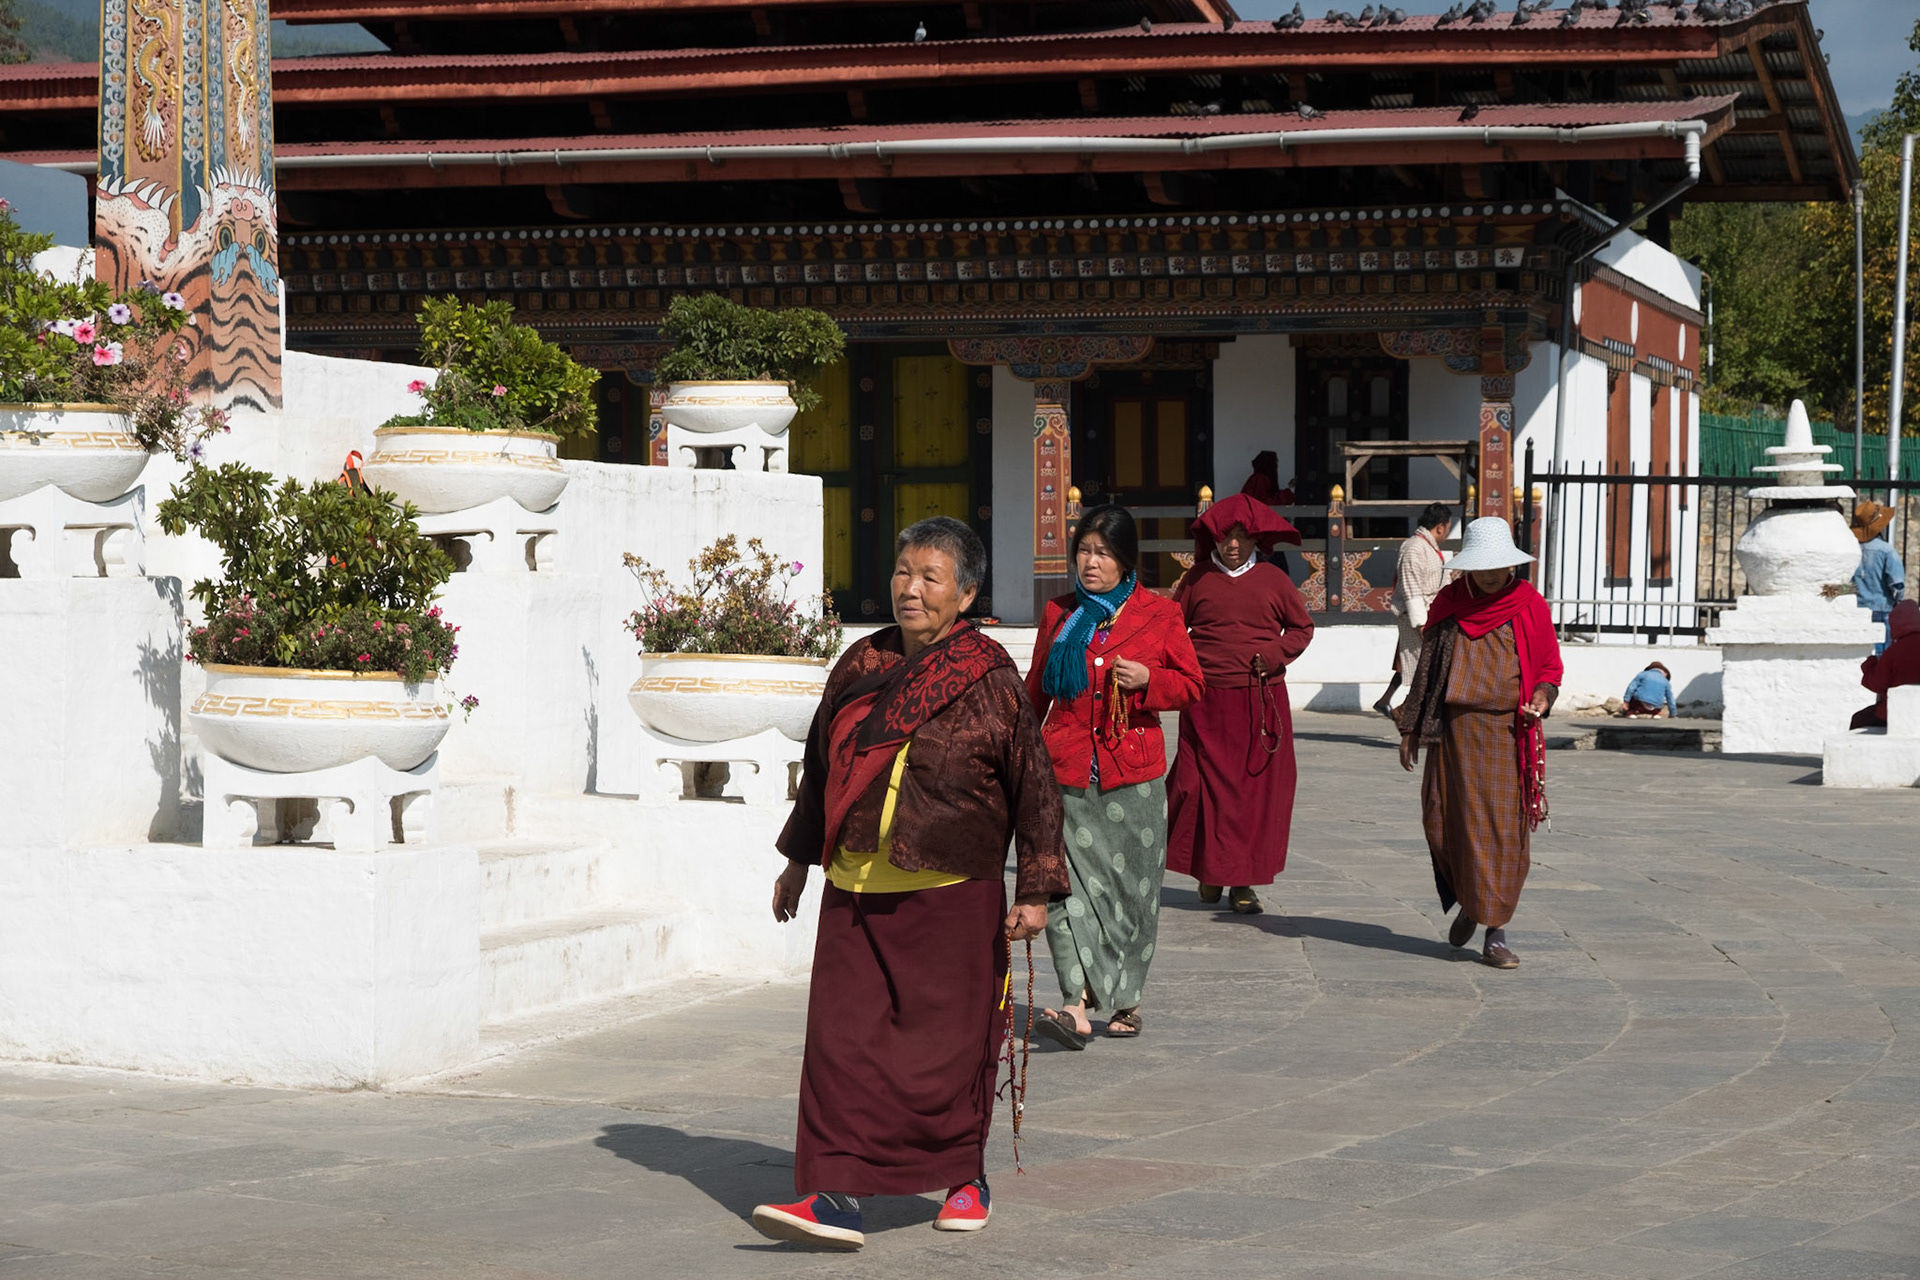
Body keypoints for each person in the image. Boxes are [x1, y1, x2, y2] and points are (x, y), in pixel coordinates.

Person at [755, 516, 1068, 1250]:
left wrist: (1036, 889)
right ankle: (835, 1195)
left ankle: (964, 1178)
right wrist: (799, 859)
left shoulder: (989, 675)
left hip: (951, 884)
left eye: (930, 576)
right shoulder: (861, 663)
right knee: (840, 1040)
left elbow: (1035, 786)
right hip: (856, 879)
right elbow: (822, 769)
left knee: (950, 1043)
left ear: (965, 593)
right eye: (903, 572)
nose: (911, 588)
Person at [1026, 505, 1204, 1049]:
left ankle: (1126, 999)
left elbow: (1193, 686)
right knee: (1061, 889)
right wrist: (1015, 755)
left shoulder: (1160, 615)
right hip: (1067, 772)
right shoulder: (1059, 614)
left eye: (1102, 552)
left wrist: (1151, 679)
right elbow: (1036, 691)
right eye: (1084, 550)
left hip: (1135, 776)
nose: (1090, 563)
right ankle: (1075, 1006)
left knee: (1132, 893)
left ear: (1126, 559)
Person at [1397, 517, 1563, 971]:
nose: (1490, 575)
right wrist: (1410, 728)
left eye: (1498, 567)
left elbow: (1549, 665)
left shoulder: (1529, 604)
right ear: (1467, 567)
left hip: (1508, 734)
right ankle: (1472, 902)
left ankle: (1495, 933)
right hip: (1451, 733)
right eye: (1481, 568)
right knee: (1446, 823)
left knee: (1503, 832)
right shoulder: (1450, 602)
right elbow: (1426, 672)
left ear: (1511, 564)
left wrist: (1542, 697)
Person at [1166, 492, 1315, 917]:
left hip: (1259, 702)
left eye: (1241, 537)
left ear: (1256, 540)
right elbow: (1173, 630)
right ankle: (1210, 873)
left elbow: (1301, 629)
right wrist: (1184, 666)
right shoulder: (1196, 580)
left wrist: (1272, 655)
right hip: (1206, 702)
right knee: (1203, 789)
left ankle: (1243, 883)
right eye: (1225, 537)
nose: (1232, 545)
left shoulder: (1274, 581)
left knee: (1251, 794)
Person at [1375, 501, 1453, 719]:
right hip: (1418, 619)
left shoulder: (1429, 548)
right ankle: (1407, 716)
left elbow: (1444, 583)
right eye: (1447, 529)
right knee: (1426, 672)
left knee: (1428, 671)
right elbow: (1411, 587)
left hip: (1432, 616)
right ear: (1440, 527)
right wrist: (1421, 623)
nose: (1446, 534)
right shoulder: (1414, 548)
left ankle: (1406, 715)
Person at [1849, 600, 1920, 730]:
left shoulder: (1895, 651)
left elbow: (1877, 684)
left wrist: (1869, 665)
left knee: (1859, 720)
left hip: (1896, 712)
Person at [1852, 500, 1906, 654]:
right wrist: (1898, 601)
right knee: (1882, 656)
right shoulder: (1887, 551)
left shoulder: (1851, 550)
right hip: (1882, 608)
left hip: (1856, 609)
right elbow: (1897, 584)